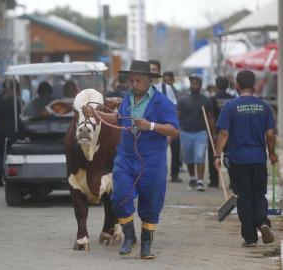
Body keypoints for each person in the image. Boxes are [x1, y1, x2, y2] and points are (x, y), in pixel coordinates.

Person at [83, 60, 179, 259]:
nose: (133, 84)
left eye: (138, 80)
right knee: (119, 196)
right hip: (126, 158)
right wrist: (95, 113)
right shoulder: (127, 99)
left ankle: (146, 243)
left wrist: (150, 126)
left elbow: (174, 130)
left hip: (152, 161)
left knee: (151, 201)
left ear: (149, 81)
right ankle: (129, 235)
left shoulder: (162, 102)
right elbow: (117, 119)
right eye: (131, 80)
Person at [214, 70, 277, 247]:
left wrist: (217, 155)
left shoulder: (230, 106)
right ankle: (263, 222)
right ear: (255, 85)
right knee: (259, 195)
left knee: (244, 198)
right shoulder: (264, 107)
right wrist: (272, 153)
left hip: (238, 160)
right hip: (258, 159)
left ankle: (250, 238)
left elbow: (224, 133)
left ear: (237, 86)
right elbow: (270, 135)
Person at [178, 74, 215, 192]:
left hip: (201, 133)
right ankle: (192, 178)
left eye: (196, 83)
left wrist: (213, 133)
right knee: (189, 158)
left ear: (200, 85)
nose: (194, 85)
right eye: (192, 83)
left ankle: (199, 181)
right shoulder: (183, 100)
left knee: (199, 157)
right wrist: (175, 129)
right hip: (185, 133)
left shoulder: (205, 100)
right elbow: (177, 116)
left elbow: (210, 118)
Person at [0, 78, 22, 186]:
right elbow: (19, 115)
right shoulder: (17, 100)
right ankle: (7, 176)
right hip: (12, 130)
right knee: (10, 154)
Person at [208, 76, 234, 188]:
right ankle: (233, 182)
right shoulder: (233, 98)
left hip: (217, 132)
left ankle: (214, 181)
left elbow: (211, 118)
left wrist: (213, 134)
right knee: (230, 157)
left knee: (214, 156)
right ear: (227, 85)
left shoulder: (212, 99)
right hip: (230, 132)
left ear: (216, 85)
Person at [162, 71, 184, 183]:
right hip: (161, 126)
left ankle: (174, 174)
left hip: (175, 126)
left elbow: (179, 110)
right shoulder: (159, 91)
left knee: (175, 152)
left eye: (169, 80)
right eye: (165, 80)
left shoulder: (179, 94)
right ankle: (161, 174)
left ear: (173, 80)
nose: (167, 82)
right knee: (160, 151)